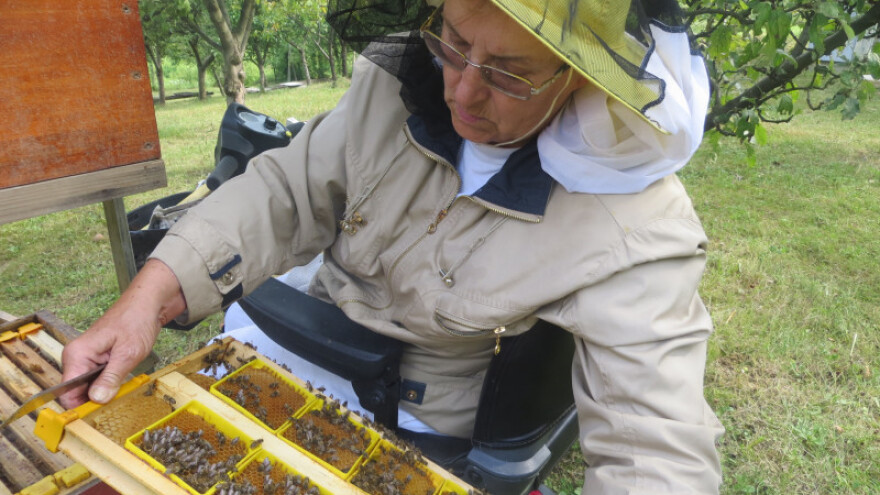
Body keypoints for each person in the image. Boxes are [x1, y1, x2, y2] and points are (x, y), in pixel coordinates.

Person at [60, 0, 724, 491]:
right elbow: (285, 191)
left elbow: (655, 447)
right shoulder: (392, 90)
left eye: (510, 73)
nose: (463, 89)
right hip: (296, 364)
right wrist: (150, 294)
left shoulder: (639, 225)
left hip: (421, 437)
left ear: (582, 75)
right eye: (455, 43)